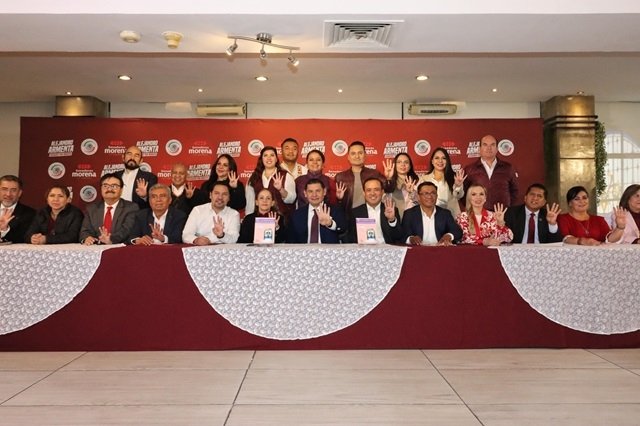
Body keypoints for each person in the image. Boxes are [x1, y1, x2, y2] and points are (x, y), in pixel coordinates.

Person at [80, 173, 139, 245]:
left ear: (121, 190)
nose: (109, 189)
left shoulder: (130, 208)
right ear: (101, 189)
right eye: (105, 186)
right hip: (95, 248)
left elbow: (126, 230)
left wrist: (110, 239)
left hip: (118, 247)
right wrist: (87, 237)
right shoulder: (92, 208)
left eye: (114, 186)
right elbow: (84, 231)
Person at [464, 134, 518, 209]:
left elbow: (514, 191)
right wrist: (474, 209)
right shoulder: (470, 169)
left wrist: (507, 207)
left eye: (492, 145)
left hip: (503, 213)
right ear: (479, 148)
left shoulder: (508, 168)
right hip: (479, 213)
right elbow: (464, 193)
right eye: (485, 145)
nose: (489, 148)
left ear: (497, 149)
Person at [402, 181, 462, 246]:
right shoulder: (409, 214)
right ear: (418, 197)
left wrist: (449, 235)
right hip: (418, 250)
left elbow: (457, 231)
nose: (430, 196)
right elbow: (403, 235)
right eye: (426, 193)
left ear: (437, 196)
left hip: (440, 249)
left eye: (433, 193)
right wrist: (411, 239)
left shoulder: (445, 213)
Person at [557, 185, 622, 245]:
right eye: (577, 199)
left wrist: (620, 227)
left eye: (584, 198)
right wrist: (583, 241)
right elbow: (565, 239)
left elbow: (610, 239)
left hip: (597, 252)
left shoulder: (599, 220)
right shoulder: (563, 219)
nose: (582, 201)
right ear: (570, 203)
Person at [288, 178, 346, 244]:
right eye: (310, 191)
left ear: (324, 192)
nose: (314, 195)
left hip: (328, 250)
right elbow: (290, 240)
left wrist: (330, 224)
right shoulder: (297, 215)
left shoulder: (334, 210)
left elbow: (343, 229)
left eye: (318, 191)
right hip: (304, 250)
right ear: (305, 193)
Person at [335, 141, 385, 215]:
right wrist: (339, 199)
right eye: (353, 153)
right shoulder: (340, 177)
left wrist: (389, 178)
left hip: (370, 215)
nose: (357, 156)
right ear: (348, 157)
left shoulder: (374, 174)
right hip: (348, 216)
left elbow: (389, 189)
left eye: (360, 153)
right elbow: (335, 202)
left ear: (365, 155)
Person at [348, 177, 403, 244]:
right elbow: (350, 238)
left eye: (376, 189)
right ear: (364, 193)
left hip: (386, 248)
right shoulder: (355, 213)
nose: (372, 193)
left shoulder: (391, 210)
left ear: (382, 192)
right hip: (363, 249)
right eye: (368, 190)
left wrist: (391, 220)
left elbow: (398, 236)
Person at [246, 146, 296, 216]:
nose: (269, 158)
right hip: (259, 219)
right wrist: (249, 218)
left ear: (276, 159)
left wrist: (281, 189)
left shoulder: (286, 175)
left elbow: (291, 199)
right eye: (265, 155)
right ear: (261, 159)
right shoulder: (254, 177)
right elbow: (250, 204)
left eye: (272, 155)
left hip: (281, 219)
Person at [419, 147, 465, 218]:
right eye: (437, 158)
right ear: (432, 161)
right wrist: (411, 192)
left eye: (443, 158)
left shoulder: (454, 177)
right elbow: (418, 199)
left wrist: (458, 186)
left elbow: (459, 196)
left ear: (447, 161)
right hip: (429, 218)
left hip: (451, 217)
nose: (440, 161)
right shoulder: (424, 179)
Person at [382, 152, 420, 219]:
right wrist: (389, 179)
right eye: (399, 162)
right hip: (393, 218)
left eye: (406, 162)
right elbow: (384, 199)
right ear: (394, 165)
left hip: (413, 219)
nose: (403, 165)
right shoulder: (389, 182)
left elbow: (420, 204)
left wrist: (412, 193)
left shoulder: (417, 182)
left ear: (410, 166)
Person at [0, 174, 36, 243]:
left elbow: (23, 238)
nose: (8, 194)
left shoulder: (30, 213)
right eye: (4, 189)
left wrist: (4, 229)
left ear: (19, 193)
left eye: (13, 190)